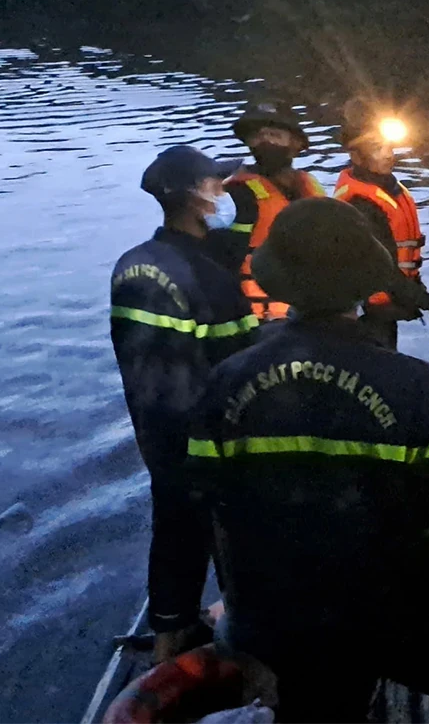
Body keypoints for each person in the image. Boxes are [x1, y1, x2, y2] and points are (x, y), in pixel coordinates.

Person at [186, 198, 429, 722]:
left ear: (281, 283)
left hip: (283, 622)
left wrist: (237, 608)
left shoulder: (224, 382)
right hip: (396, 618)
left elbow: (214, 512)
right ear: (365, 284)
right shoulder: (418, 388)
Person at [110, 146, 259, 662]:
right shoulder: (174, 273)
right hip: (200, 440)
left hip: (183, 437)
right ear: (193, 196)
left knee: (179, 533)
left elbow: (241, 235)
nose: (223, 187)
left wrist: (241, 184)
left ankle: (177, 639)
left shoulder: (189, 258)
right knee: (210, 540)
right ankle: (203, 659)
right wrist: (208, 449)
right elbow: (174, 379)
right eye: (214, 182)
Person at [333, 96, 429, 350]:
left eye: (390, 146)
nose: (388, 155)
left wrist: (418, 293)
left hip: (390, 295)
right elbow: (382, 270)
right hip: (371, 302)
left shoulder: (384, 187)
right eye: (378, 148)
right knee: (379, 357)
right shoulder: (361, 204)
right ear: (356, 156)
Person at [207, 100, 326, 321]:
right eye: (258, 136)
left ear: (296, 143)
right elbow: (222, 263)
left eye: (274, 135)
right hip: (261, 319)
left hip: (314, 313)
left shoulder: (310, 185)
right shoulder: (238, 193)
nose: (265, 142)